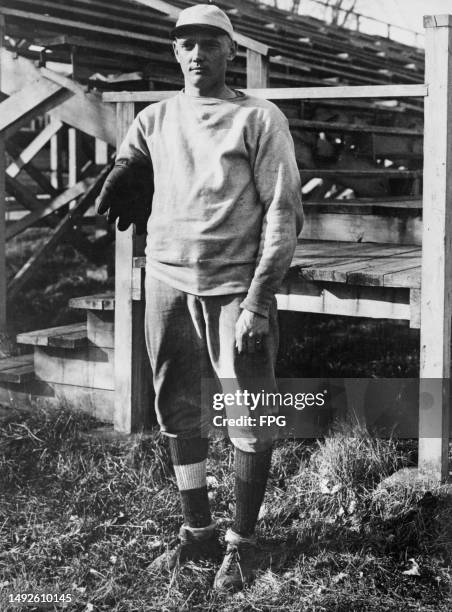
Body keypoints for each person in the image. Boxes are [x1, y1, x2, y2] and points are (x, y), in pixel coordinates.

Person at [98, 3, 303, 592]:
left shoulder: (260, 118)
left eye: (209, 44)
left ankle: (243, 542)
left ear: (230, 52)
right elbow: (131, 166)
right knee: (178, 409)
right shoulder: (155, 118)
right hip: (166, 278)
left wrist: (260, 300)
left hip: (235, 286)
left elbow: (283, 214)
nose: (196, 54)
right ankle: (198, 534)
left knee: (249, 411)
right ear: (175, 52)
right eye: (185, 44)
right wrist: (124, 164)